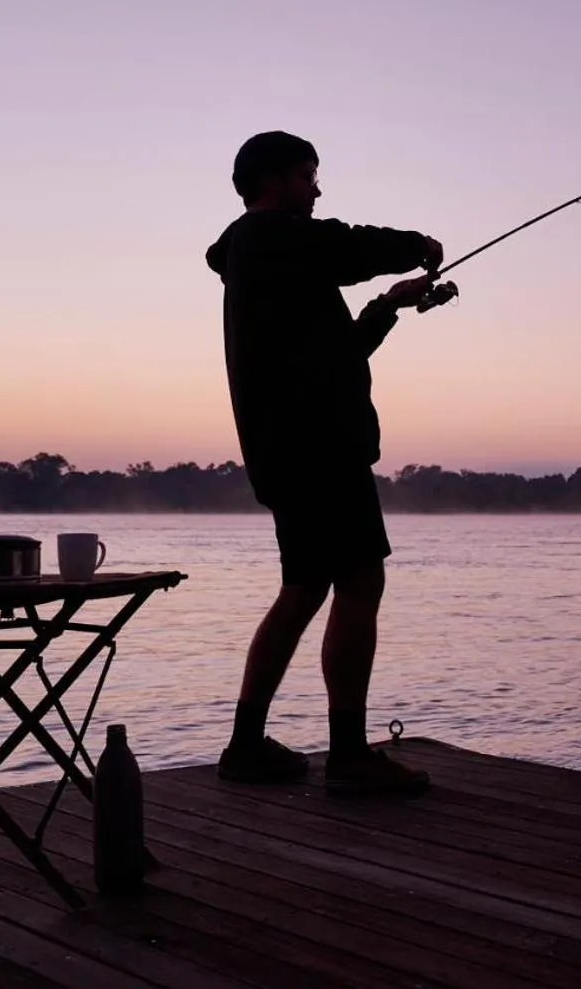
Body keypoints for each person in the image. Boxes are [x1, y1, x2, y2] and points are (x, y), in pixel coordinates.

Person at [205, 130, 441, 794]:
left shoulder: (271, 261)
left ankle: (246, 745)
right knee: (359, 584)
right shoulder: (269, 238)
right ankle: (348, 756)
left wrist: (387, 307)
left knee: (305, 589)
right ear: (275, 180)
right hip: (317, 451)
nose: (317, 189)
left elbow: (338, 353)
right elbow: (346, 245)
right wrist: (414, 243)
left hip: (292, 451)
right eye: (309, 176)